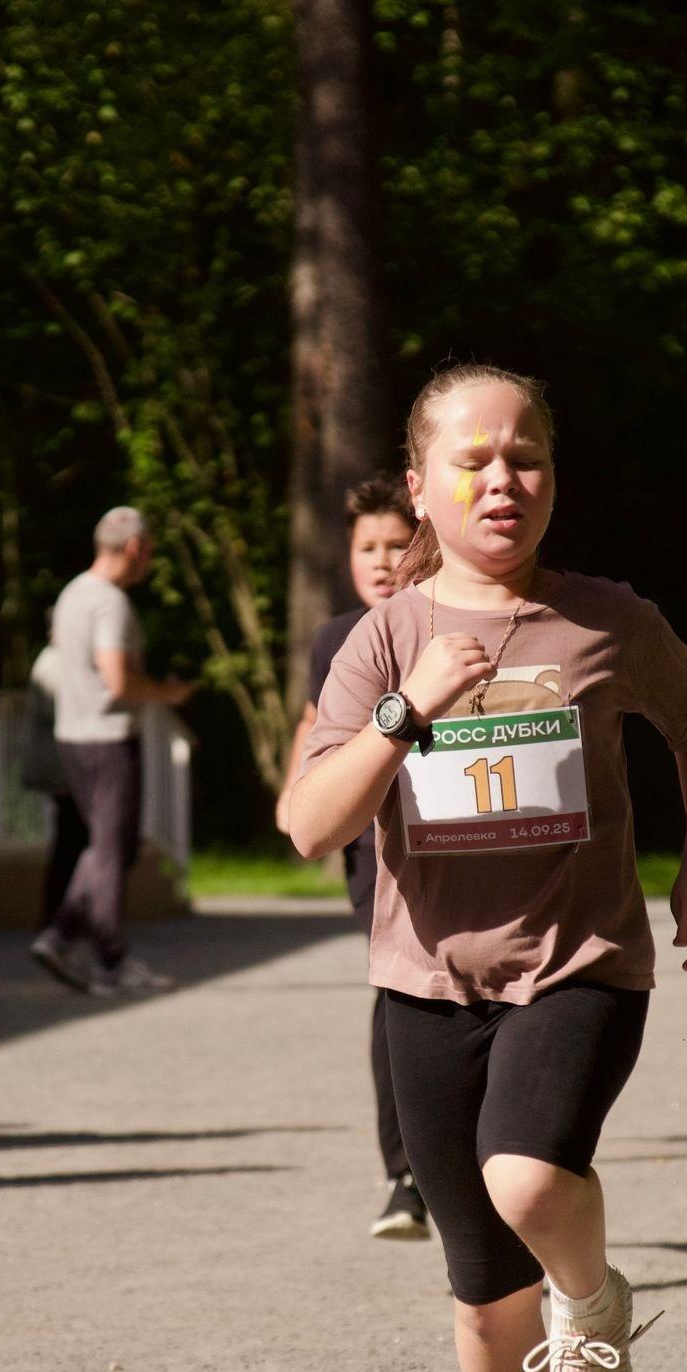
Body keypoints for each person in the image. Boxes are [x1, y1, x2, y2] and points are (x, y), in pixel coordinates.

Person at [287, 365, 687, 1372]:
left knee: (528, 1171)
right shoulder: (375, 639)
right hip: (426, 992)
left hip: (582, 964)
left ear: (554, 479)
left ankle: (591, 1304)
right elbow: (308, 823)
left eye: (527, 456)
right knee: (484, 1293)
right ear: (421, 491)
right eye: (475, 460)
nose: (504, 479)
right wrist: (401, 710)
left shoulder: (607, 620)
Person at [274, 475, 428, 1239]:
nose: (379, 558)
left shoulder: (444, 624)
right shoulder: (335, 638)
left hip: (449, 839)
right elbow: (313, 720)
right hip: (374, 850)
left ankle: (467, 1158)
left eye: (396, 543)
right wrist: (295, 786)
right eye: (366, 545)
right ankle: (404, 1176)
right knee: (395, 992)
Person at [28, 507, 195, 998]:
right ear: (135, 548)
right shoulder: (110, 604)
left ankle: (61, 939)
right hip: (107, 738)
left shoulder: (72, 594)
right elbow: (118, 680)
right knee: (110, 850)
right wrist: (170, 694)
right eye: (151, 552)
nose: (150, 561)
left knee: (106, 847)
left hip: (72, 737)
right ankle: (107, 960)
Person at [24, 641, 90, 925]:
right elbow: (64, 709)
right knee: (71, 840)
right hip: (62, 767)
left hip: (65, 766)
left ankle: (65, 912)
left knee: (74, 839)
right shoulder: (54, 663)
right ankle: (59, 914)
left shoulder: (56, 661)